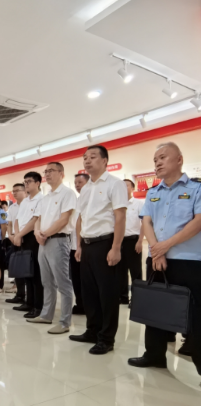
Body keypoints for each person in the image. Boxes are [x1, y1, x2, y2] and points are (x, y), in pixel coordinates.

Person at [129, 142, 201, 373]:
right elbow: (147, 221)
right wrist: (155, 250)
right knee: (155, 307)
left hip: (188, 260)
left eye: (162, 157)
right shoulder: (153, 192)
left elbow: (198, 221)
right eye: (155, 160)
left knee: (195, 315)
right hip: (157, 260)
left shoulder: (196, 189)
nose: (157, 163)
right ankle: (154, 355)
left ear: (179, 159)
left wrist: (165, 246)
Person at [70, 145, 127, 355]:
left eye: (92, 157)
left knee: (107, 294)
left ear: (104, 161)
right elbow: (80, 218)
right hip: (87, 245)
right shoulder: (86, 188)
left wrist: (116, 247)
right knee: (89, 292)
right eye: (85, 157)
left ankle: (106, 338)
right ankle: (92, 331)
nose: (87, 160)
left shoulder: (115, 184)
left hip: (106, 243)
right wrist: (79, 245)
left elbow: (120, 216)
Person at [29, 162, 77, 335]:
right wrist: (37, 233)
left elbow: (64, 219)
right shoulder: (45, 197)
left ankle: (64, 322)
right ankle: (46, 315)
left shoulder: (68, 193)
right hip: (43, 242)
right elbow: (38, 219)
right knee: (46, 281)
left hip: (58, 240)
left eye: (51, 171)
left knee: (63, 283)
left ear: (61, 173)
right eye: (46, 171)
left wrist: (45, 234)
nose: (47, 174)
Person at [13, 172, 44, 318]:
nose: (26, 184)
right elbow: (17, 219)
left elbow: (34, 220)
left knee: (36, 273)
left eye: (29, 181)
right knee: (27, 271)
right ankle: (28, 302)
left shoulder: (41, 199)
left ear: (37, 183)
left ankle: (38, 306)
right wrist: (17, 234)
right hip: (22, 237)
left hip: (33, 237)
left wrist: (19, 235)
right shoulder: (25, 201)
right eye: (25, 182)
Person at [118, 179, 144, 305]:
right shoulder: (117, 204)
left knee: (135, 271)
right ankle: (123, 297)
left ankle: (137, 298)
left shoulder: (138, 204)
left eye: (126, 185)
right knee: (120, 271)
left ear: (133, 188)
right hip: (119, 241)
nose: (123, 187)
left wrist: (140, 241)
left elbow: (144, 223)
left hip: (133, 241)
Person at [6, 184, 27, 304]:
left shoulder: (28, 204)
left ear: (24, 191)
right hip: (14, 238)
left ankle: (29, 296)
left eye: (17, 191)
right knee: (17, 266)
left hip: (26, 237)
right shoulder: (12, 207)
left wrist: (19, 235)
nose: (14, 193)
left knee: (27, 267)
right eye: (13, 191)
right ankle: (19, 294)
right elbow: (9, 223)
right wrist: (10, 235)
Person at [71, 174, 89, 315]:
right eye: (75, 183)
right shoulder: (76, 201)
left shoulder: (90, 199)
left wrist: (80, 245)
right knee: (76, 277)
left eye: (80, 182)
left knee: (86, 278)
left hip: (86, 244)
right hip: (73, 245)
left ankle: (88, 305)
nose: (77, 185)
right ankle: (80, 303)